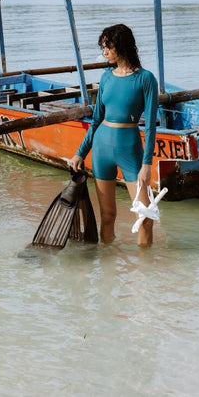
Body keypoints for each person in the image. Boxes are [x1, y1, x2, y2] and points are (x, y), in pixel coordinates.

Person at [69, 23, 159, 247]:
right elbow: (96, 119)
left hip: (130, 150)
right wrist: (80, 153)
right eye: (103, 47)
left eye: (108, 47)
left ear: (121, 46)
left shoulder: (146, 79)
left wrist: (147, 165)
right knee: (107, 217)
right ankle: (107, 272)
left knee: (146, 218)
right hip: (101, 149)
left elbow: (150, 126)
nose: (104, 52)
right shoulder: (106, 77)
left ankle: (144, 274)